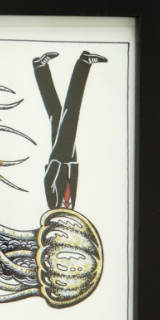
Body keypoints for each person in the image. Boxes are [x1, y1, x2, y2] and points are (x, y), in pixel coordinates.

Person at [32, 50, 107, 210]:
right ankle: (40, 68)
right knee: (56, 114)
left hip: (60, 158)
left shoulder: (53, 205)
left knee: (71, 113)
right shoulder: (71, 208)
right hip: (69, 160)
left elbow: (47, 181)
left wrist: (57, 161)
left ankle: (84, 63)